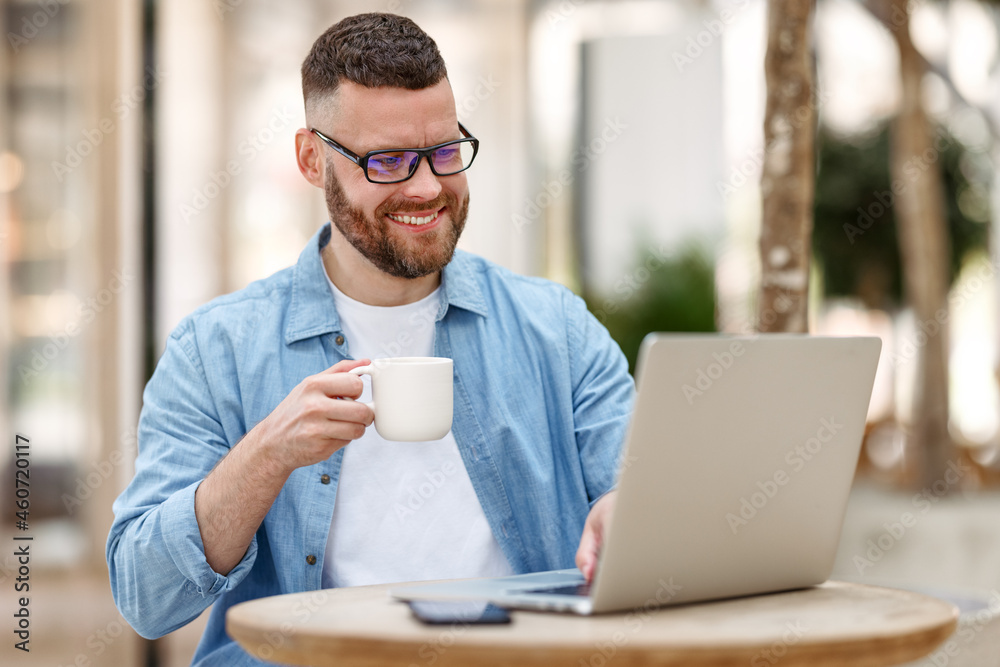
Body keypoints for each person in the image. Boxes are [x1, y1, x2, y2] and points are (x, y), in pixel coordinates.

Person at [107, 12, 633, 666]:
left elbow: (638, 502)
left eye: (444, 151)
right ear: (310, 159)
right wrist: (265, 455)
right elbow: (145, 596)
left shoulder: (557, 329)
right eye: (387, 161)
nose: (426, 186)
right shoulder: (215, 351)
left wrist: (629, 519)